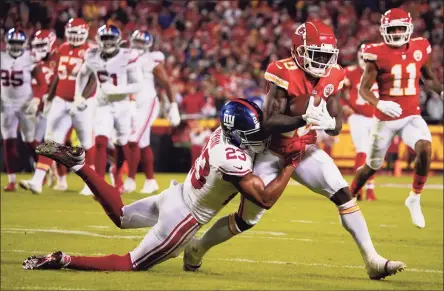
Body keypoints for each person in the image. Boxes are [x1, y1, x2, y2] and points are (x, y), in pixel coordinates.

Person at [183, 21, 406, 280]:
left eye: (326, 55)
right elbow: (269, 121)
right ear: (299, 51)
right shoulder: (282, 70)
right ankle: (197, 248)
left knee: (343, 194)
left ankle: (372, 260)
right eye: (316, 54)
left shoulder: (334, 74)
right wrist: (303, 119)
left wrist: (331, 123)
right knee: (248, 219)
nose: (323, 61)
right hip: (271, 151)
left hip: (304, 149)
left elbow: (336, 125)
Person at [23, 99, 304, 271]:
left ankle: (80, 164)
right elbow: (265, 199)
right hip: (185, 218)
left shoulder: (223, 132)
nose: (261, 137)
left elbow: (258, 132)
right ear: (240, 134)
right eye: (254, 133)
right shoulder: (231, 158)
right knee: (130, 263)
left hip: (176, 195)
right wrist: (291, 162)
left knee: (121, 215)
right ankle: (65, 260)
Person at [350, 8, 442, 228]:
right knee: (371, 166)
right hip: (384, 119)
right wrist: (379, 103)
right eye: (393, 29)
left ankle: (414, 197)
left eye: (401, 28)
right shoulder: (376, 53)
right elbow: (364, 89)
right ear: (384, 30)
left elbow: (429, 78)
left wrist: (441, 91)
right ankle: (350, 195)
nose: (398, 32)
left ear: (409, 28)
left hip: (411, 115)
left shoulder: (420, 47)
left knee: (425, 148)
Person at [19, 18, 96, 195]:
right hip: (61, 100)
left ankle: (91, 184)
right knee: (51, 140)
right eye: (72, 32)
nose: (74, 36)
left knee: (86, 142)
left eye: (77, 33)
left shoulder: (91, 51)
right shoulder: (62, 48)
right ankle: (37, 181)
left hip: (81, 102)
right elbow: (57, 78)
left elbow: (93, 78)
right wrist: (50, 98)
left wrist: (83, 98)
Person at [75, 24, 143, 193]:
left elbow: (138, 85)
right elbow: (82, 74)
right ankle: (99, 184)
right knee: (100, 141)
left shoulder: (127, 56)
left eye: (110, 38)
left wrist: (117, 90)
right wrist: (79, 96)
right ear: (99, 40)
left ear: (118, 40)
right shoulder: (92, 56)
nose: (107, 42)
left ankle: (117, 174)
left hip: (122, 105)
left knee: (121, 143)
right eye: (104, 38)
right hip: (102, 104)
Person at [123, 30, 181, 194]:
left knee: (133, 139)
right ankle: (150, 181)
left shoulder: (151, 60)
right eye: (137, 42)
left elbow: (167, 83)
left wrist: (173, 106)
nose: (139, 46)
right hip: (132, 103)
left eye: (143, 43)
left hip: (148, 103)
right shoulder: (126, 58)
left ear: (148, 45)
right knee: (142, 143)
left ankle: (131, 180)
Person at [1, 28, 48, 191]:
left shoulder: (30, 59)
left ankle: (41, 170)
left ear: (24, 44)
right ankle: (12, 180)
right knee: (8, 141)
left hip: (25, 104)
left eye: (18, 43)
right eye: (12, 42)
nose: (15, 46)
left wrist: (36, 99)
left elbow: (43, 83)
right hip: (5, 104)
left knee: (30, 141)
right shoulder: (1, 57)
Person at [341, 42, 378, 201]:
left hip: (375, 116)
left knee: (373, 154)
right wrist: (344, 107)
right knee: (363, 150)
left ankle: (369, 190)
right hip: (357, 115)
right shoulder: (351, 72)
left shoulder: (380, 72)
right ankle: (357, 189)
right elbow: (338, 91)